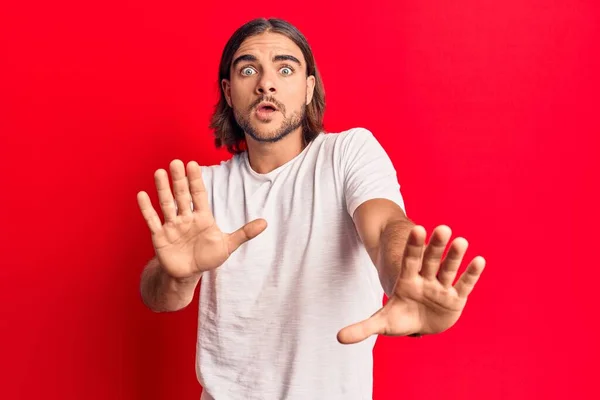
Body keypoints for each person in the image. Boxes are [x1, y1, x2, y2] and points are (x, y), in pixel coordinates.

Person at [136, 17, 486, 400]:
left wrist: (405, 272)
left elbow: (386, 226)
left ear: (308, 89)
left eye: (285, 69)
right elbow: (159, 297)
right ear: (229, 91)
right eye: (248, 69)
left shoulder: (348, 153)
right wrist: (177, 277)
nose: (265, 83)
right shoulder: (204, 187)